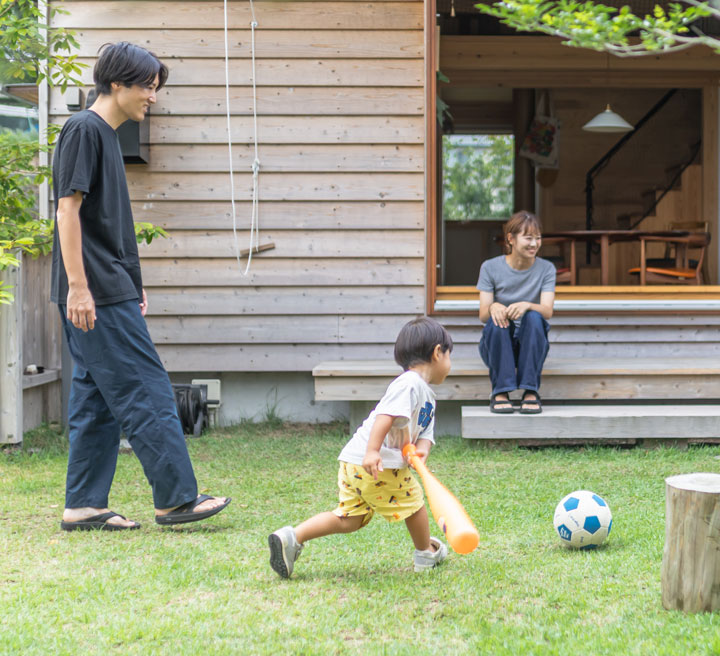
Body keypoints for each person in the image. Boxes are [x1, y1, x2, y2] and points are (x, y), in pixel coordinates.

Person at [53, 42, 229, 531]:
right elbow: (67, 211)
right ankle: (176, 499)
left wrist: (133, 282)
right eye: (148, 87)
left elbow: (109, 223)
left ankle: (83, 505)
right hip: (96, 292)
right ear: (117, 83)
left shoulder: (107, 136)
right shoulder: (84, 129)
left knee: (96, 399)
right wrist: (79, 287)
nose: (153, 97)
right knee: (146, 390)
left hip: (111, 288)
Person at [267, 317, 453, 577]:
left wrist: (421, 452)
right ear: (437, 352)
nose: (450, 364)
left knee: (350, 519)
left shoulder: (426, 395)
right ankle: (426, 553)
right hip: (377, 462)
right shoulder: (409, 383)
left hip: (354, 463)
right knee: (414, 503)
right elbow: (384, 417)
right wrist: (373, 451)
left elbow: (424, 435)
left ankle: (293, 537)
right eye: (449, 356)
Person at [476, 211, 556, 415]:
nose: (534, 244)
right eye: (528, 238)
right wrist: (493, 307)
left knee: (535, 317)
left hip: (531, 346)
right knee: (496, 321)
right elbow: (483, 315)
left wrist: (527, 305)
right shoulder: (490, 267)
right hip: (497, 344)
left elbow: (547, 311)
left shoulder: (547, 269)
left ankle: (530, 391)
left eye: (538, 238)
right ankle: (500, 392)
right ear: (511, 239)